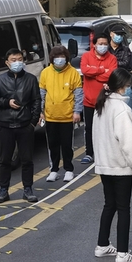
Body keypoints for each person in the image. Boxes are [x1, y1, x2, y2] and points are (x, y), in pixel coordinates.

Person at [93, 68, 132, 262]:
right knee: (123, 208)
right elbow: (129, 143)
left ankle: (102, 245)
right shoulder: (122, 109)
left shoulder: (101, 104)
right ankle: (123, 253)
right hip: (120, 166)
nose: (129, 88)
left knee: (109, 205)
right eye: (127, 85)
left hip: (104, 164)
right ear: (122, 86)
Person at [0, 48, 41, 203]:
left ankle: (28, 189)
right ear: (7, 62)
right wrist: (7, 102)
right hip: (6, 125)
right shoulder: (0, 80)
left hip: (25, 125)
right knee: (5, 160)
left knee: (26, 160)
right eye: (13, 60)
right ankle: (3, 190)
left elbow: (36, 101)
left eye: (20, 59)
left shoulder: (30, 79)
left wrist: (32, 122)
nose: (17, 62)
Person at [40, 46, 83, 183]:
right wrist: (41, 112)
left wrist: (77, 111)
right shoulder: (45, 72)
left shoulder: (73, 73)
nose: (59, 59)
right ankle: (54, 170)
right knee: (52, 144)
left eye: (62, 57)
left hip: (67, 115)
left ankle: (69, 169)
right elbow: (42, 94)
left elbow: (78, 94)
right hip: (50, 115)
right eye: (57, 57)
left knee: (66, 144)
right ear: (52, 58)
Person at [80, 33, 118, 164]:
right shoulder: (86, 56)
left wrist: (95, 72)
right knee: (89, 128)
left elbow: (111, 76)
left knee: (106, 128)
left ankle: (105, 153)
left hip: (105, 100)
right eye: (100, 44)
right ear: (94, 44)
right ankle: (89, 153)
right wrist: (102, 70)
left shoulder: (112, 58)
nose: (103, 46)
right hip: (89, 101)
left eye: (105, 44)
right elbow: (85, 70)